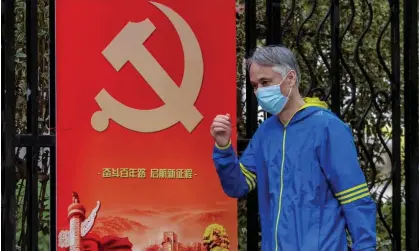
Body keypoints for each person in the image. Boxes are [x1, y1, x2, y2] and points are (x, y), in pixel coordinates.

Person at [210, 46, 376, 251]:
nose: (259, 92)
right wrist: (224, 146)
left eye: (265, 82)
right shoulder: (266, 133)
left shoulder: (327, 128)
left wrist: (365, 247)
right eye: (254, 85)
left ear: (290, 78)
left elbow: (354, 197)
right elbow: (238, 186)